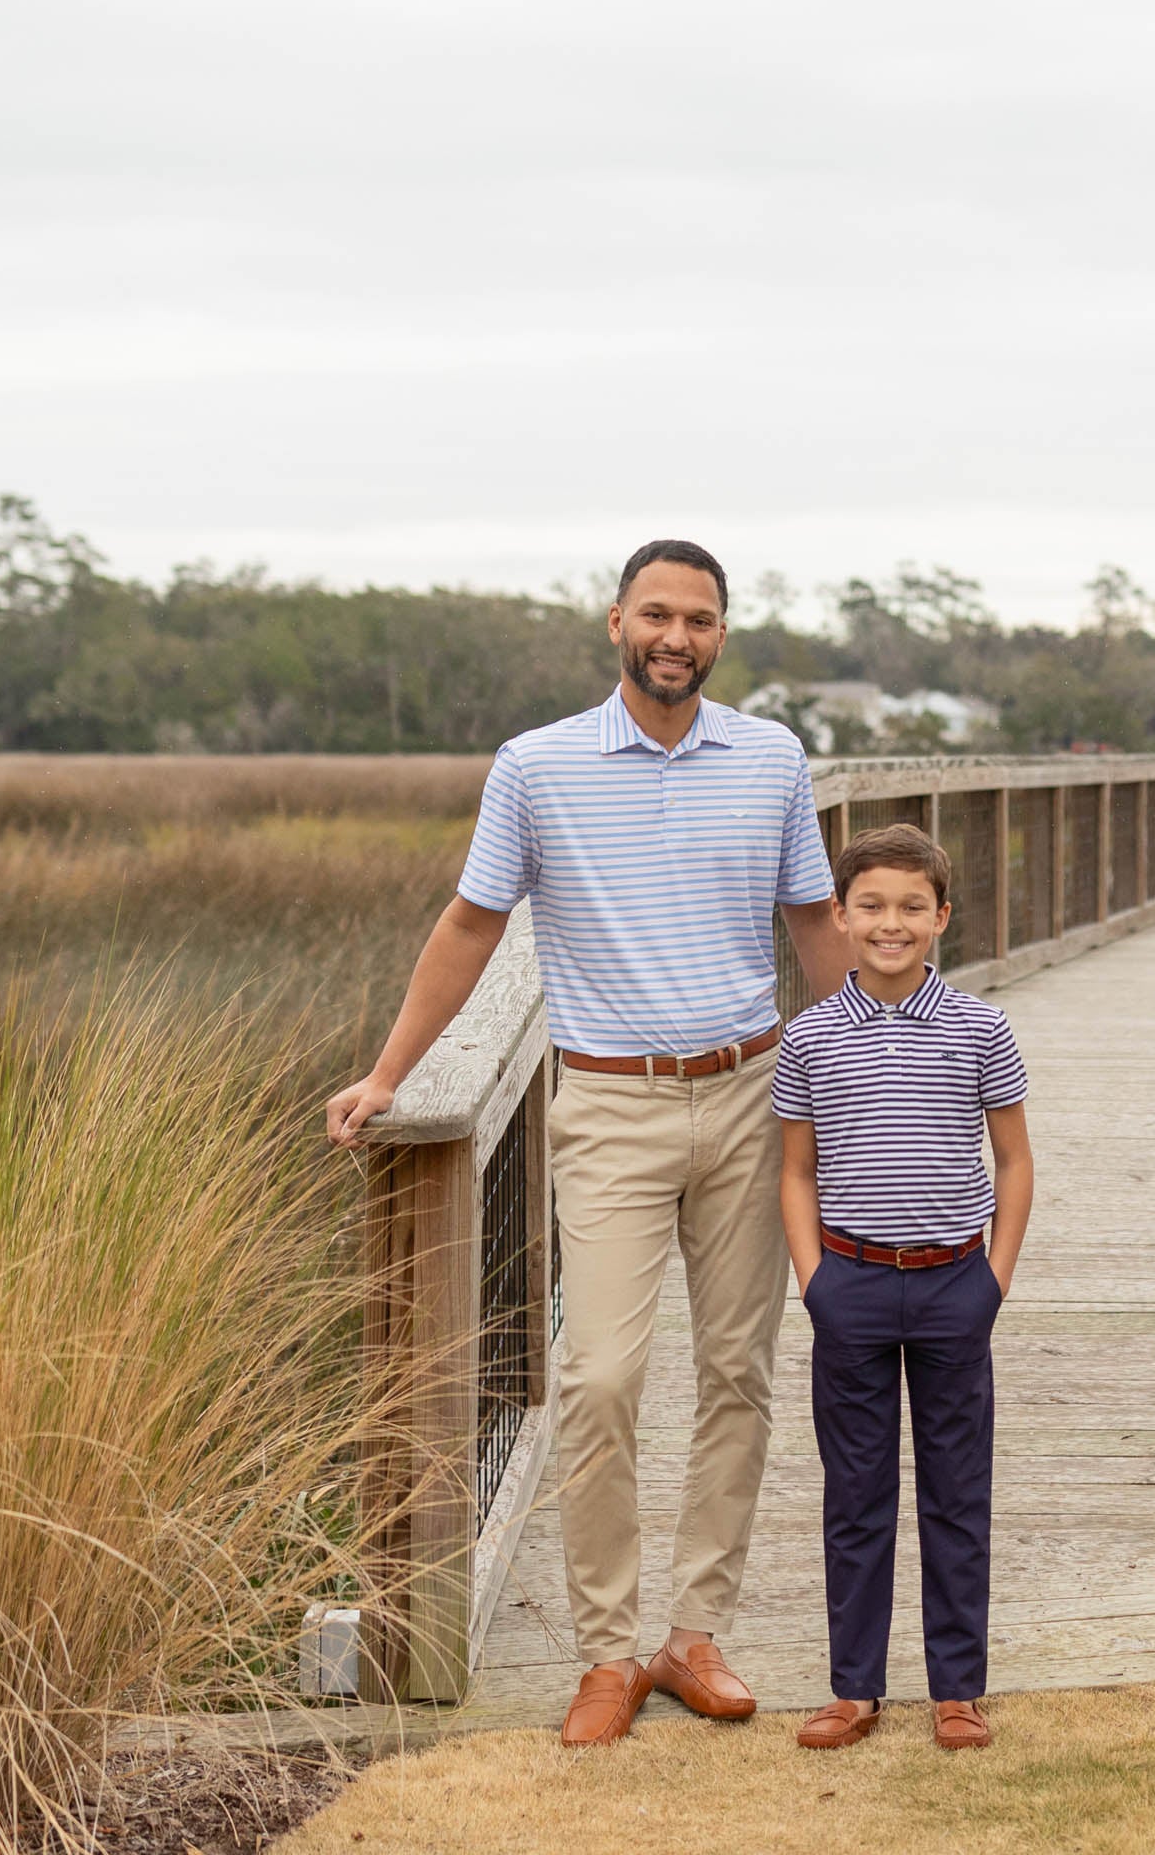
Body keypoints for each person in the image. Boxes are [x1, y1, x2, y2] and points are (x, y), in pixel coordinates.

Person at [327, 539, 852, 1747]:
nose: (677, 635)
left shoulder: (770, 756)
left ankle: (692, 1633)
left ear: (723, 635)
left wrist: (863, 1079)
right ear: (616, 620)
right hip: (609, 1103)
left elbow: (816, 922)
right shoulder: (538, 764)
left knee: (737, 1373)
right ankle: (606, 1650)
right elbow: (470, 922)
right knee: (599, 1377)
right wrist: (390, 1071)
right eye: (657, 613)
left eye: (701, 619)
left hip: (751, 1092)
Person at [772, 822, 1033, 1752]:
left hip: (954, 1286)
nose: (892, 924)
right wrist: (815, 1282)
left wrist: (991, 1280)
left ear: (942, 918)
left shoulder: (980, 1027)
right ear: (839, 918)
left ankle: (957, 1687)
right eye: (872, 907)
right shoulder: (807, 1040)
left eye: (911, 908)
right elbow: (796, 1172)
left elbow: (1013, 1161)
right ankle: (856, 1688)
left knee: (957, 1491)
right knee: (857, 1491)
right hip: (851, 1286)